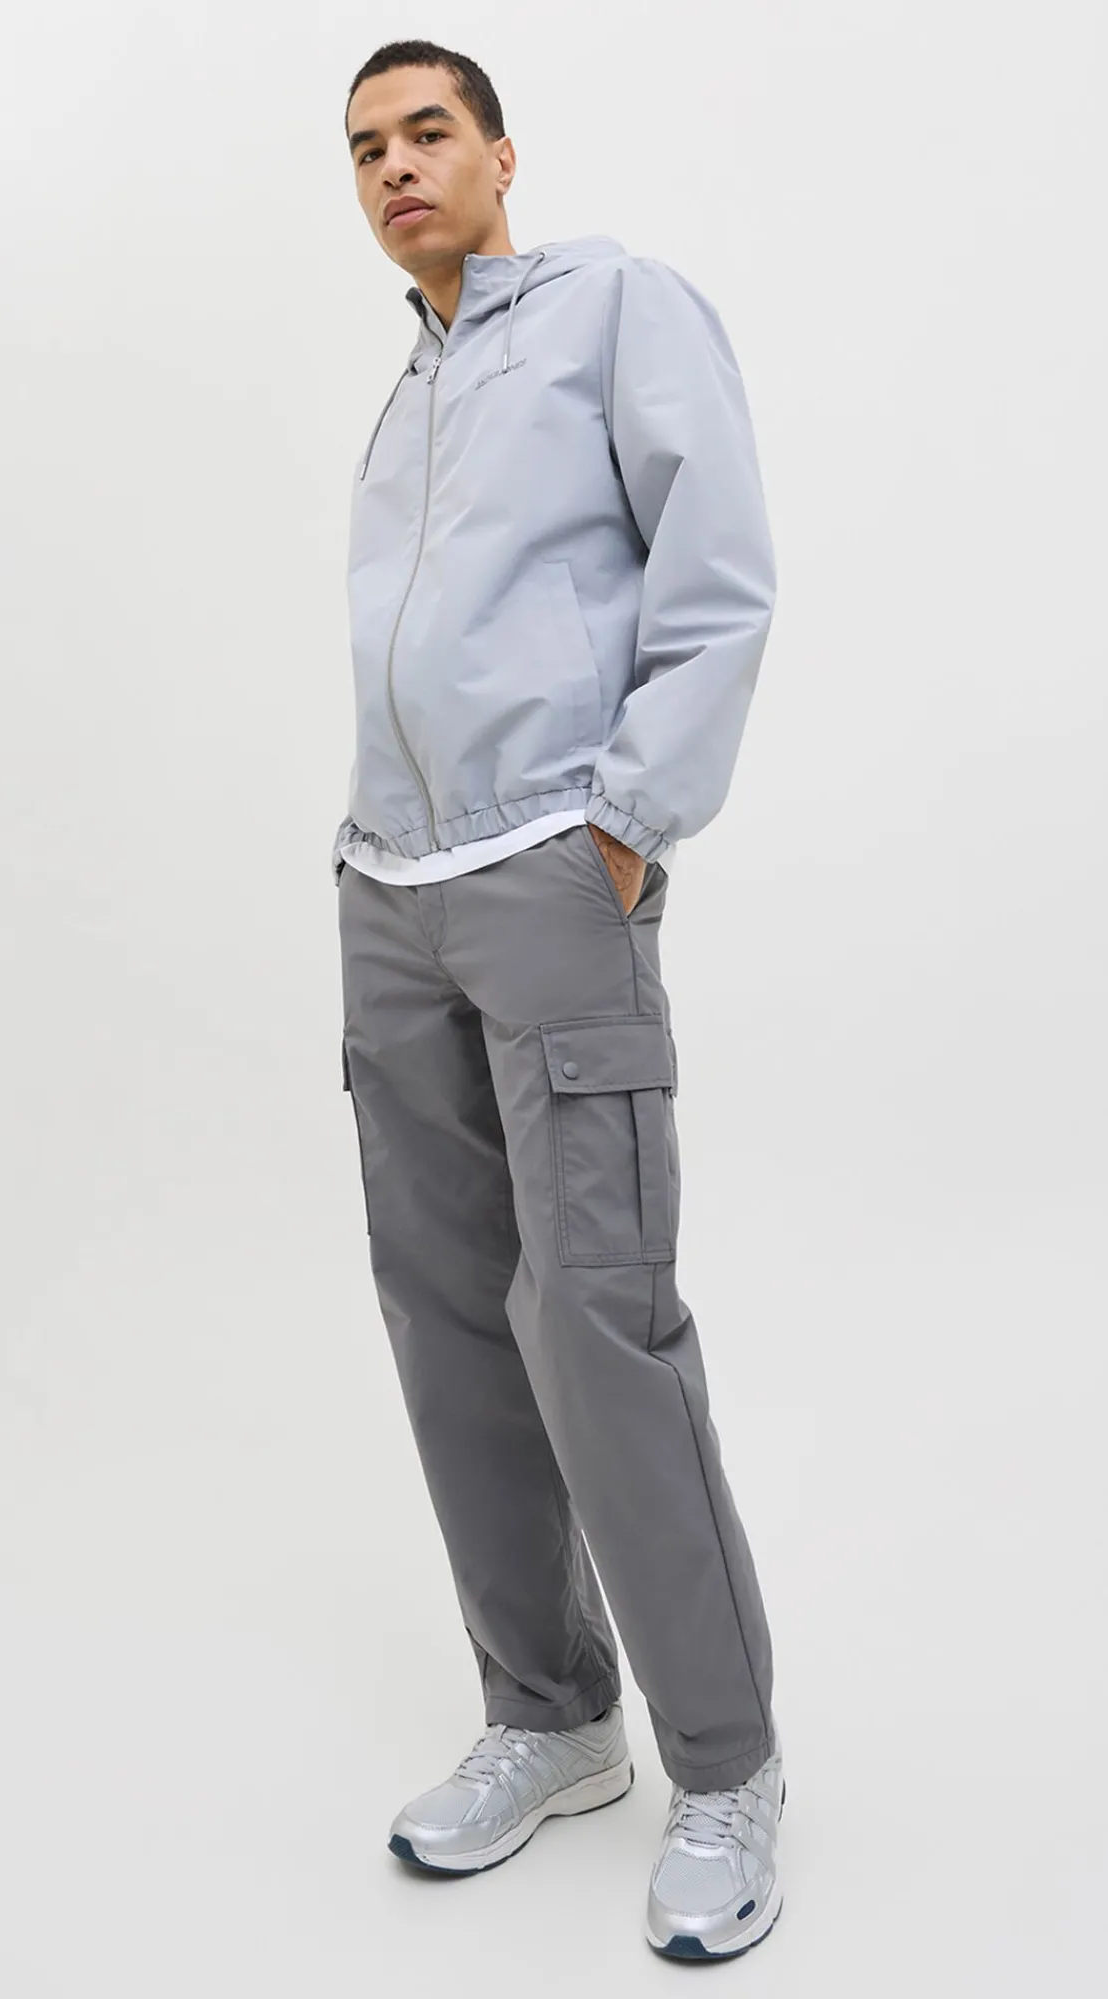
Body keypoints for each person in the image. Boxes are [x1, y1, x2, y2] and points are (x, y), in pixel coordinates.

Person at [333, 38, 785, 1962]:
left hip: (549, 873)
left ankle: (729, 1765)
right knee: (450, 1325)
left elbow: (721, 573)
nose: (395, 167)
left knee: (596, 1316)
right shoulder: (404, 398)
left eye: (427, 131)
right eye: (365, 148)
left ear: (502, 153)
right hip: (389, 891)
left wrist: (627, 823)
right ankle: (550, 1713)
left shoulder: (613, 308)